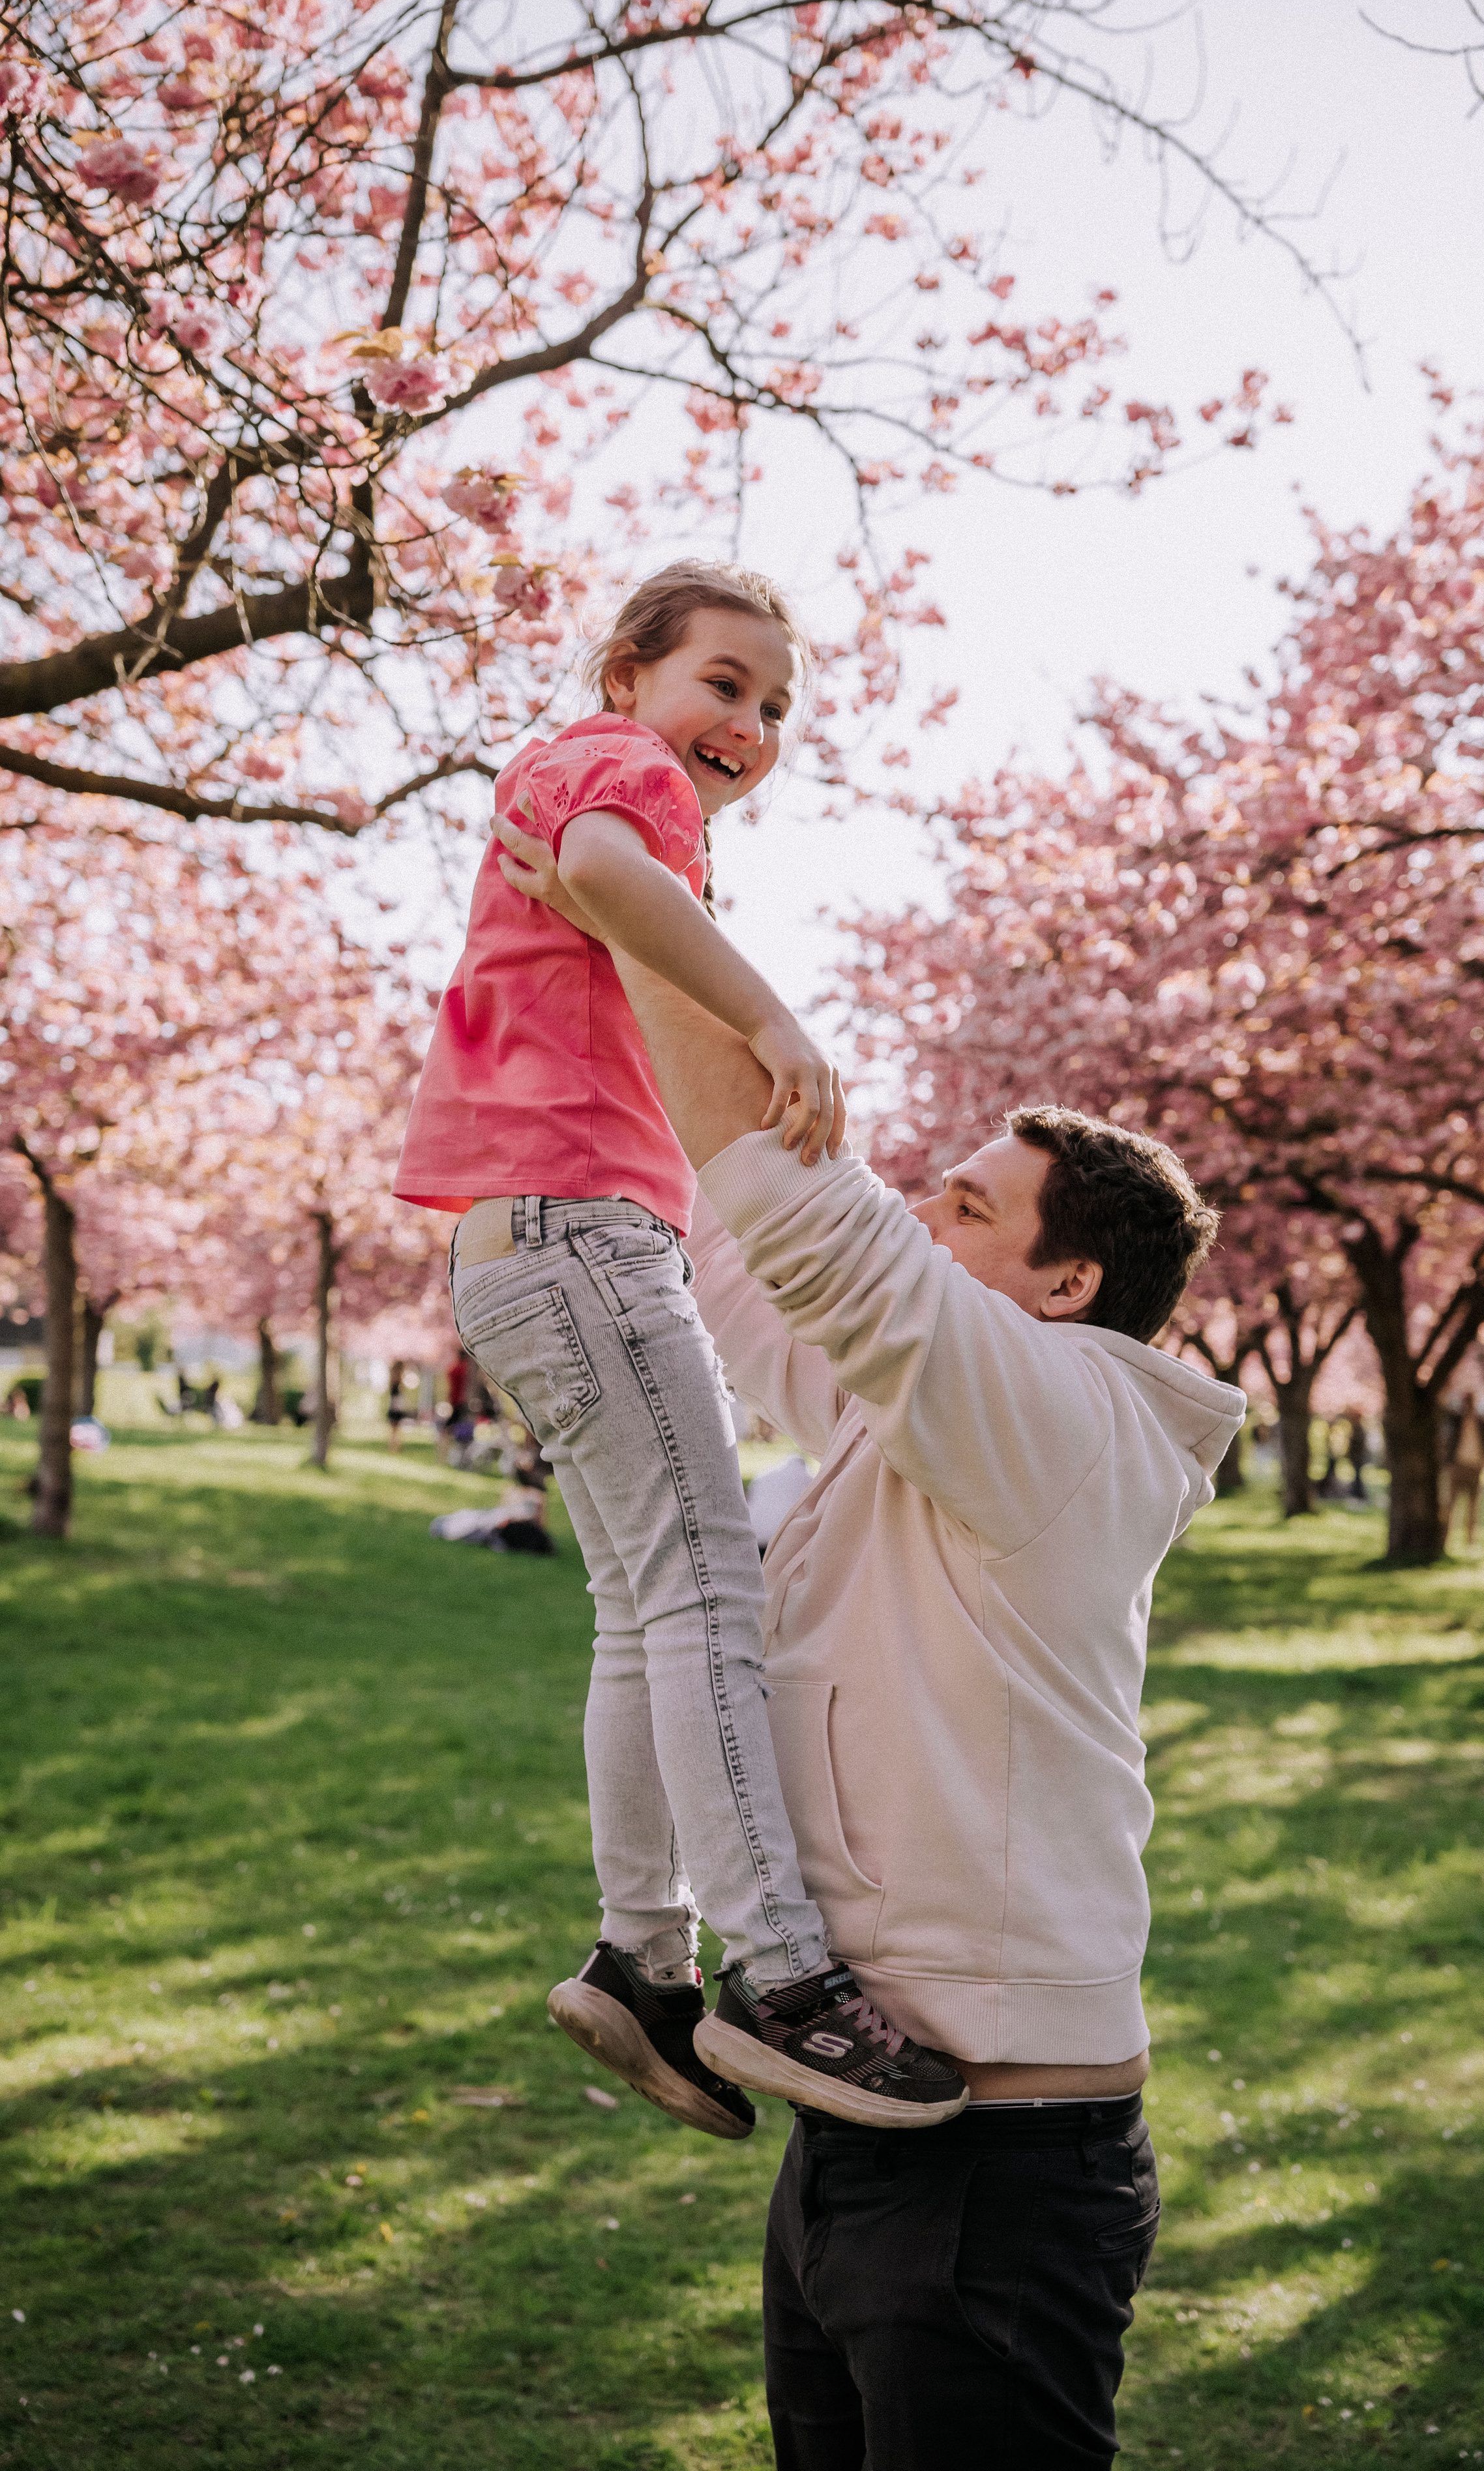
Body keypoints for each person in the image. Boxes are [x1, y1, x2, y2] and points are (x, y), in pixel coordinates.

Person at [569, 958, 1243, 2471]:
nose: (917, 1214)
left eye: (966, 1207)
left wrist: (635, 897)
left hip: (999, 2170)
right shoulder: (915, 1421)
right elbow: (741, 1239)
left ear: (1065, 1286)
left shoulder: (1060, 1422)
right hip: (852, 2114)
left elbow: (813, 1226)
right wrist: (645, 939)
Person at [394, 559, 962, 2138]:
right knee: (708, 1593)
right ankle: (782, 1976)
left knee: (645, 1608)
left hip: (532, 1241)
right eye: (724, 681)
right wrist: (777, 1022)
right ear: (628, 672)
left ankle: (641, 1963)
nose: (749, 724)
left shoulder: (591, 779)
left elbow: (597, 889)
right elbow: (602, 861)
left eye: (773, 706)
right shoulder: (619, 772)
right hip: (579, 1231)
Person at [1442, 1391, 1484, 1550]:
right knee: (1450, 1506)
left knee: (1474, 1507)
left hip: (1475, 1468)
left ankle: (1471, 1541)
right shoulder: (1455, 1422)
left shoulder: (1483, 1423)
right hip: (1458, 1467)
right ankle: (1445, 1540)